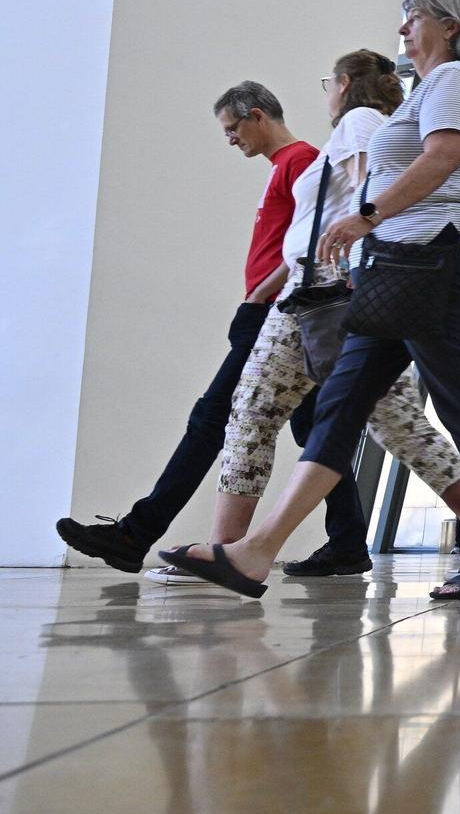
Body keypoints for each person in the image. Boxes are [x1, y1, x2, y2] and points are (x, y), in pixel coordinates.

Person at [161, 0, 460, 600]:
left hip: (440, 260)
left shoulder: (457, 80)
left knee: (458, 402)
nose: (403, 32)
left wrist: (366, 215)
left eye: (413, 21)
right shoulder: (430, 89)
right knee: (341, 403)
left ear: (450, 27)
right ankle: (254, 553)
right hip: (402, 268)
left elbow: (444, 158)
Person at [57, 81, 349, 573]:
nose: (231, 139)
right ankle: (348, 541)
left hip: (279, 315)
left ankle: (137, 532)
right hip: (271, 312)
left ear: (258, 115)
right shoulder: (284, 166)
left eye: (233, 129)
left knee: (211, 419)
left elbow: (315, 237)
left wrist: (259, 297)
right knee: (315, 431)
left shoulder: (300, 160)